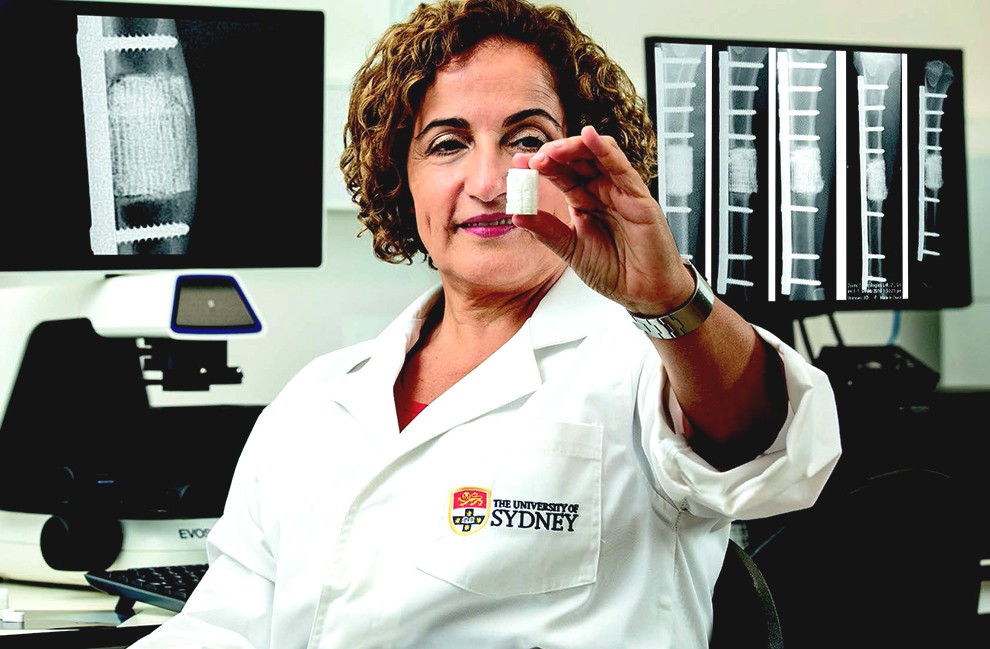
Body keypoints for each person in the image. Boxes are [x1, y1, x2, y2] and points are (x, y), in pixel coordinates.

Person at [131, 0, 841, 647]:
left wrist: (668, 299)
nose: (490, 179)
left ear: (583, 164)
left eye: (526, 139)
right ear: (398, 179)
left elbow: (777, 456)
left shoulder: (646, 362)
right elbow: (224, 626)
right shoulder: (316, 401)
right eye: (447, 144)